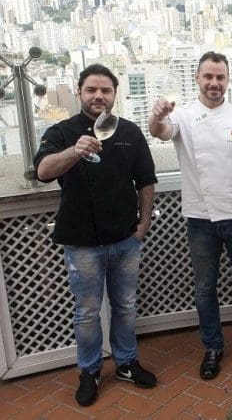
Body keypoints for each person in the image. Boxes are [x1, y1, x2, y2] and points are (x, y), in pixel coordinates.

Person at [34, 64, 157, 407]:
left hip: (125, 239)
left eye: (106, 90)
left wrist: (143, 223)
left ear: (115, 95)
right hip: (82, 243)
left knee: (126, 306)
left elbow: (146, 181)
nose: (99, 96)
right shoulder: (61, 132)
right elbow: (43, 171)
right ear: (79, 92)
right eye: (91, 90)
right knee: (87, 312)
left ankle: (126, 363)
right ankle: (88, 371)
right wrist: (74, 150)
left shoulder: (130, 132)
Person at [148, 51, 232, 380]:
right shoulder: (184, 117)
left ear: (228, 80)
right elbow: (160, 131)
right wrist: (157, 115)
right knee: (204, 289)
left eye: (220, 77)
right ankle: (213, 347)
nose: (214, 83)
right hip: (200, 219)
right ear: (197, 79)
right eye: (208, 77)